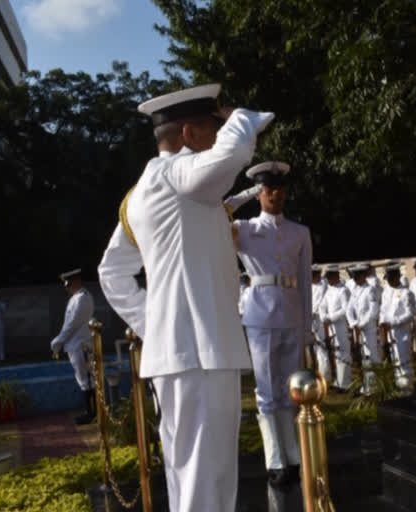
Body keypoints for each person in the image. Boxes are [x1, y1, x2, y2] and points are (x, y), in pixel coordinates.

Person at [98, 83, 274, 512]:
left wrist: (155, 322)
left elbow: (112, 271)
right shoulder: (176, 174)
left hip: (183, 352)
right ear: (190, 135)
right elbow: (229, 158)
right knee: (206, 479)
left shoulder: (142, 192)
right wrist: (242, 117)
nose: (218, 138)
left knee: (190, 478)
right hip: (199, 352)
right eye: (213, 128)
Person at [233, 160, 312, 486]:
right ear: (258, 193)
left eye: (278, 189)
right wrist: (244, 194)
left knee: (290, 389)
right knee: (266, 391)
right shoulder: (244, 229)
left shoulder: (299, 232)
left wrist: (306, 325)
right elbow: (216, 215)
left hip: (291, 312)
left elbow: (305, 280)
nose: (274, 195)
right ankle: (276, 459)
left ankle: (294, 456)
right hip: (260, 315)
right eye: (267, 189)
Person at [50, 269, 96, 425]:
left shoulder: (82, 299)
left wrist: (58, 341)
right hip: (75, 344)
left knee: (87, 380)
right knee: (84, 379)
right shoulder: (76, 298)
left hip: (80, 344)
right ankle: (91, 412)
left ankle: (92, 413)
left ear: (76, 282)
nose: (67, 287)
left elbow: (72, 324)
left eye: (68, 284)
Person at [379, 262, 416, 390]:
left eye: (390, 278)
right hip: (389, 334)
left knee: (404, 361)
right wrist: (382, 322)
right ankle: (398, 386)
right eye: (387, 279)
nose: (388, 281)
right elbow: (383, 310)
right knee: (395, 361)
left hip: (402, 334)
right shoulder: (386, 292)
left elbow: (410, 314)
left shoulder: (406, 293)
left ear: (397, 276)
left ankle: (407, 389)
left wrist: (393, 321)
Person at [346, 263, 380, 394]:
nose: (354, 278)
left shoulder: (370, 290)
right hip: (358, 329)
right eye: (353, 276)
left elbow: (373, 311)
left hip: (369, 329)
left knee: (371, 356)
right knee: (362, 357)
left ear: (363, 275)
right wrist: (353, 323)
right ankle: (366, 385)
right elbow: (349, 309)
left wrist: (361, 324)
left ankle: (374, 386)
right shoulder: (355, 290)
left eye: (356, 275)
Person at [319, 264, 352, 392]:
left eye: (330, 277)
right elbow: (322, 306)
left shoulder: (343, 290)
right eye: (327, 278)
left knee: (344, 353)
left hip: (341, 325)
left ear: (336, 276)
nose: (328, 280)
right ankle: (339, 381)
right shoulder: (329, 290)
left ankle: (345, 383)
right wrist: (324, 317)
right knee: (336, 352)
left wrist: (331, 317)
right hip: (332, 326)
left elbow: (345, 309)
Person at [310, 265, 328, 379]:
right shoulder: (311, 285)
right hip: (312, 320)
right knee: (316, 348)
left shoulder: (323, 285)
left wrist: (312, 312)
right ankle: (319, 373)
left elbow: (320, 302)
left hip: (321, 319)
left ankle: (325, 376)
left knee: (323, 348)